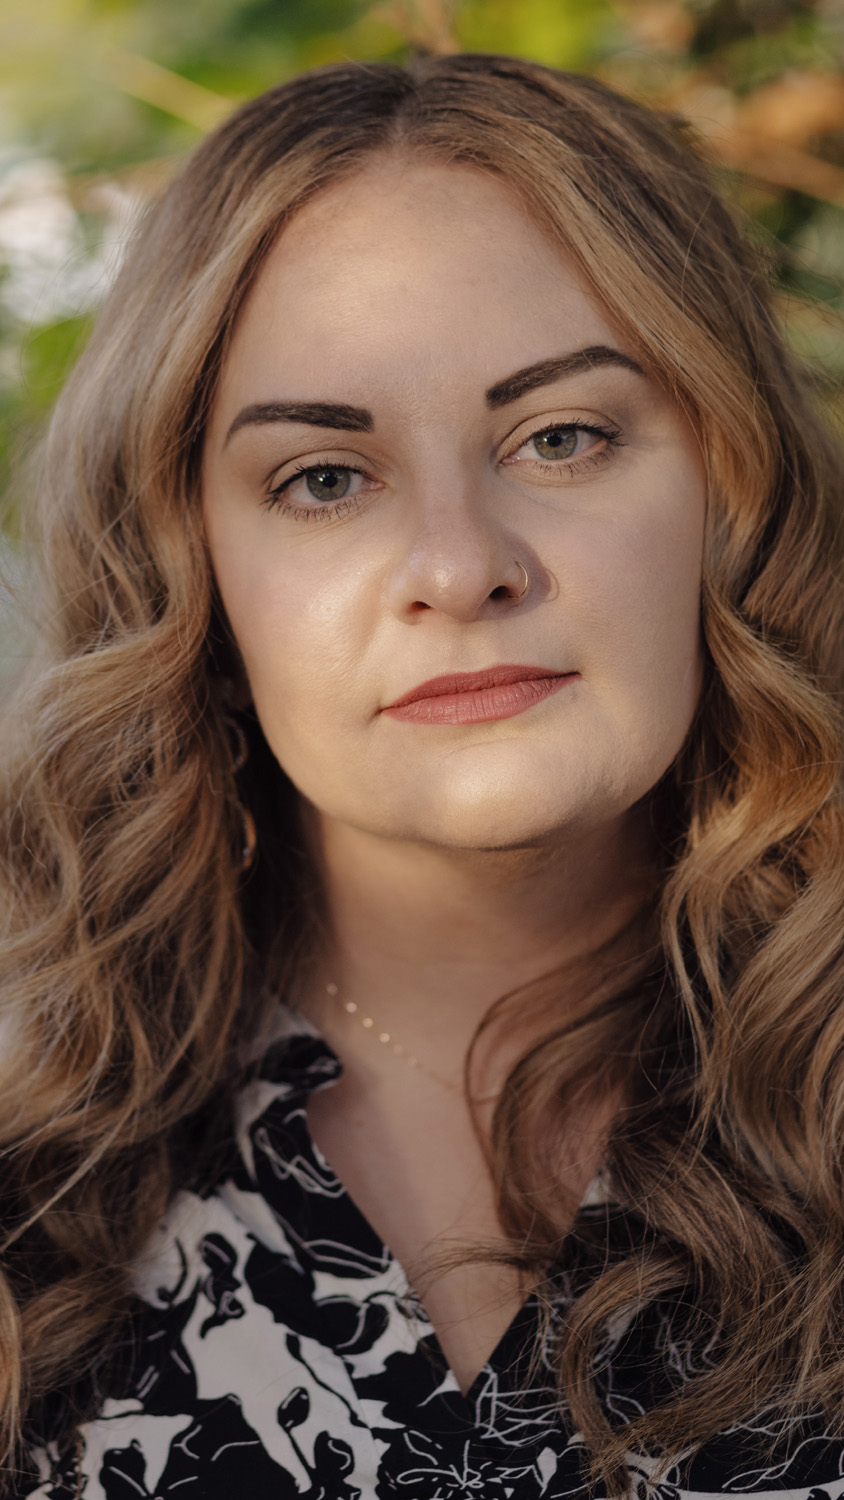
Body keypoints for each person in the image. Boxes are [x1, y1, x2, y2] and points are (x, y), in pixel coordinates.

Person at [1, 48, 843, 1500]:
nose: (460, 568)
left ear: (732, 489)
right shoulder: (37, 1149)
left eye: (563, 437)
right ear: (189, 564)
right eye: (325, 477)